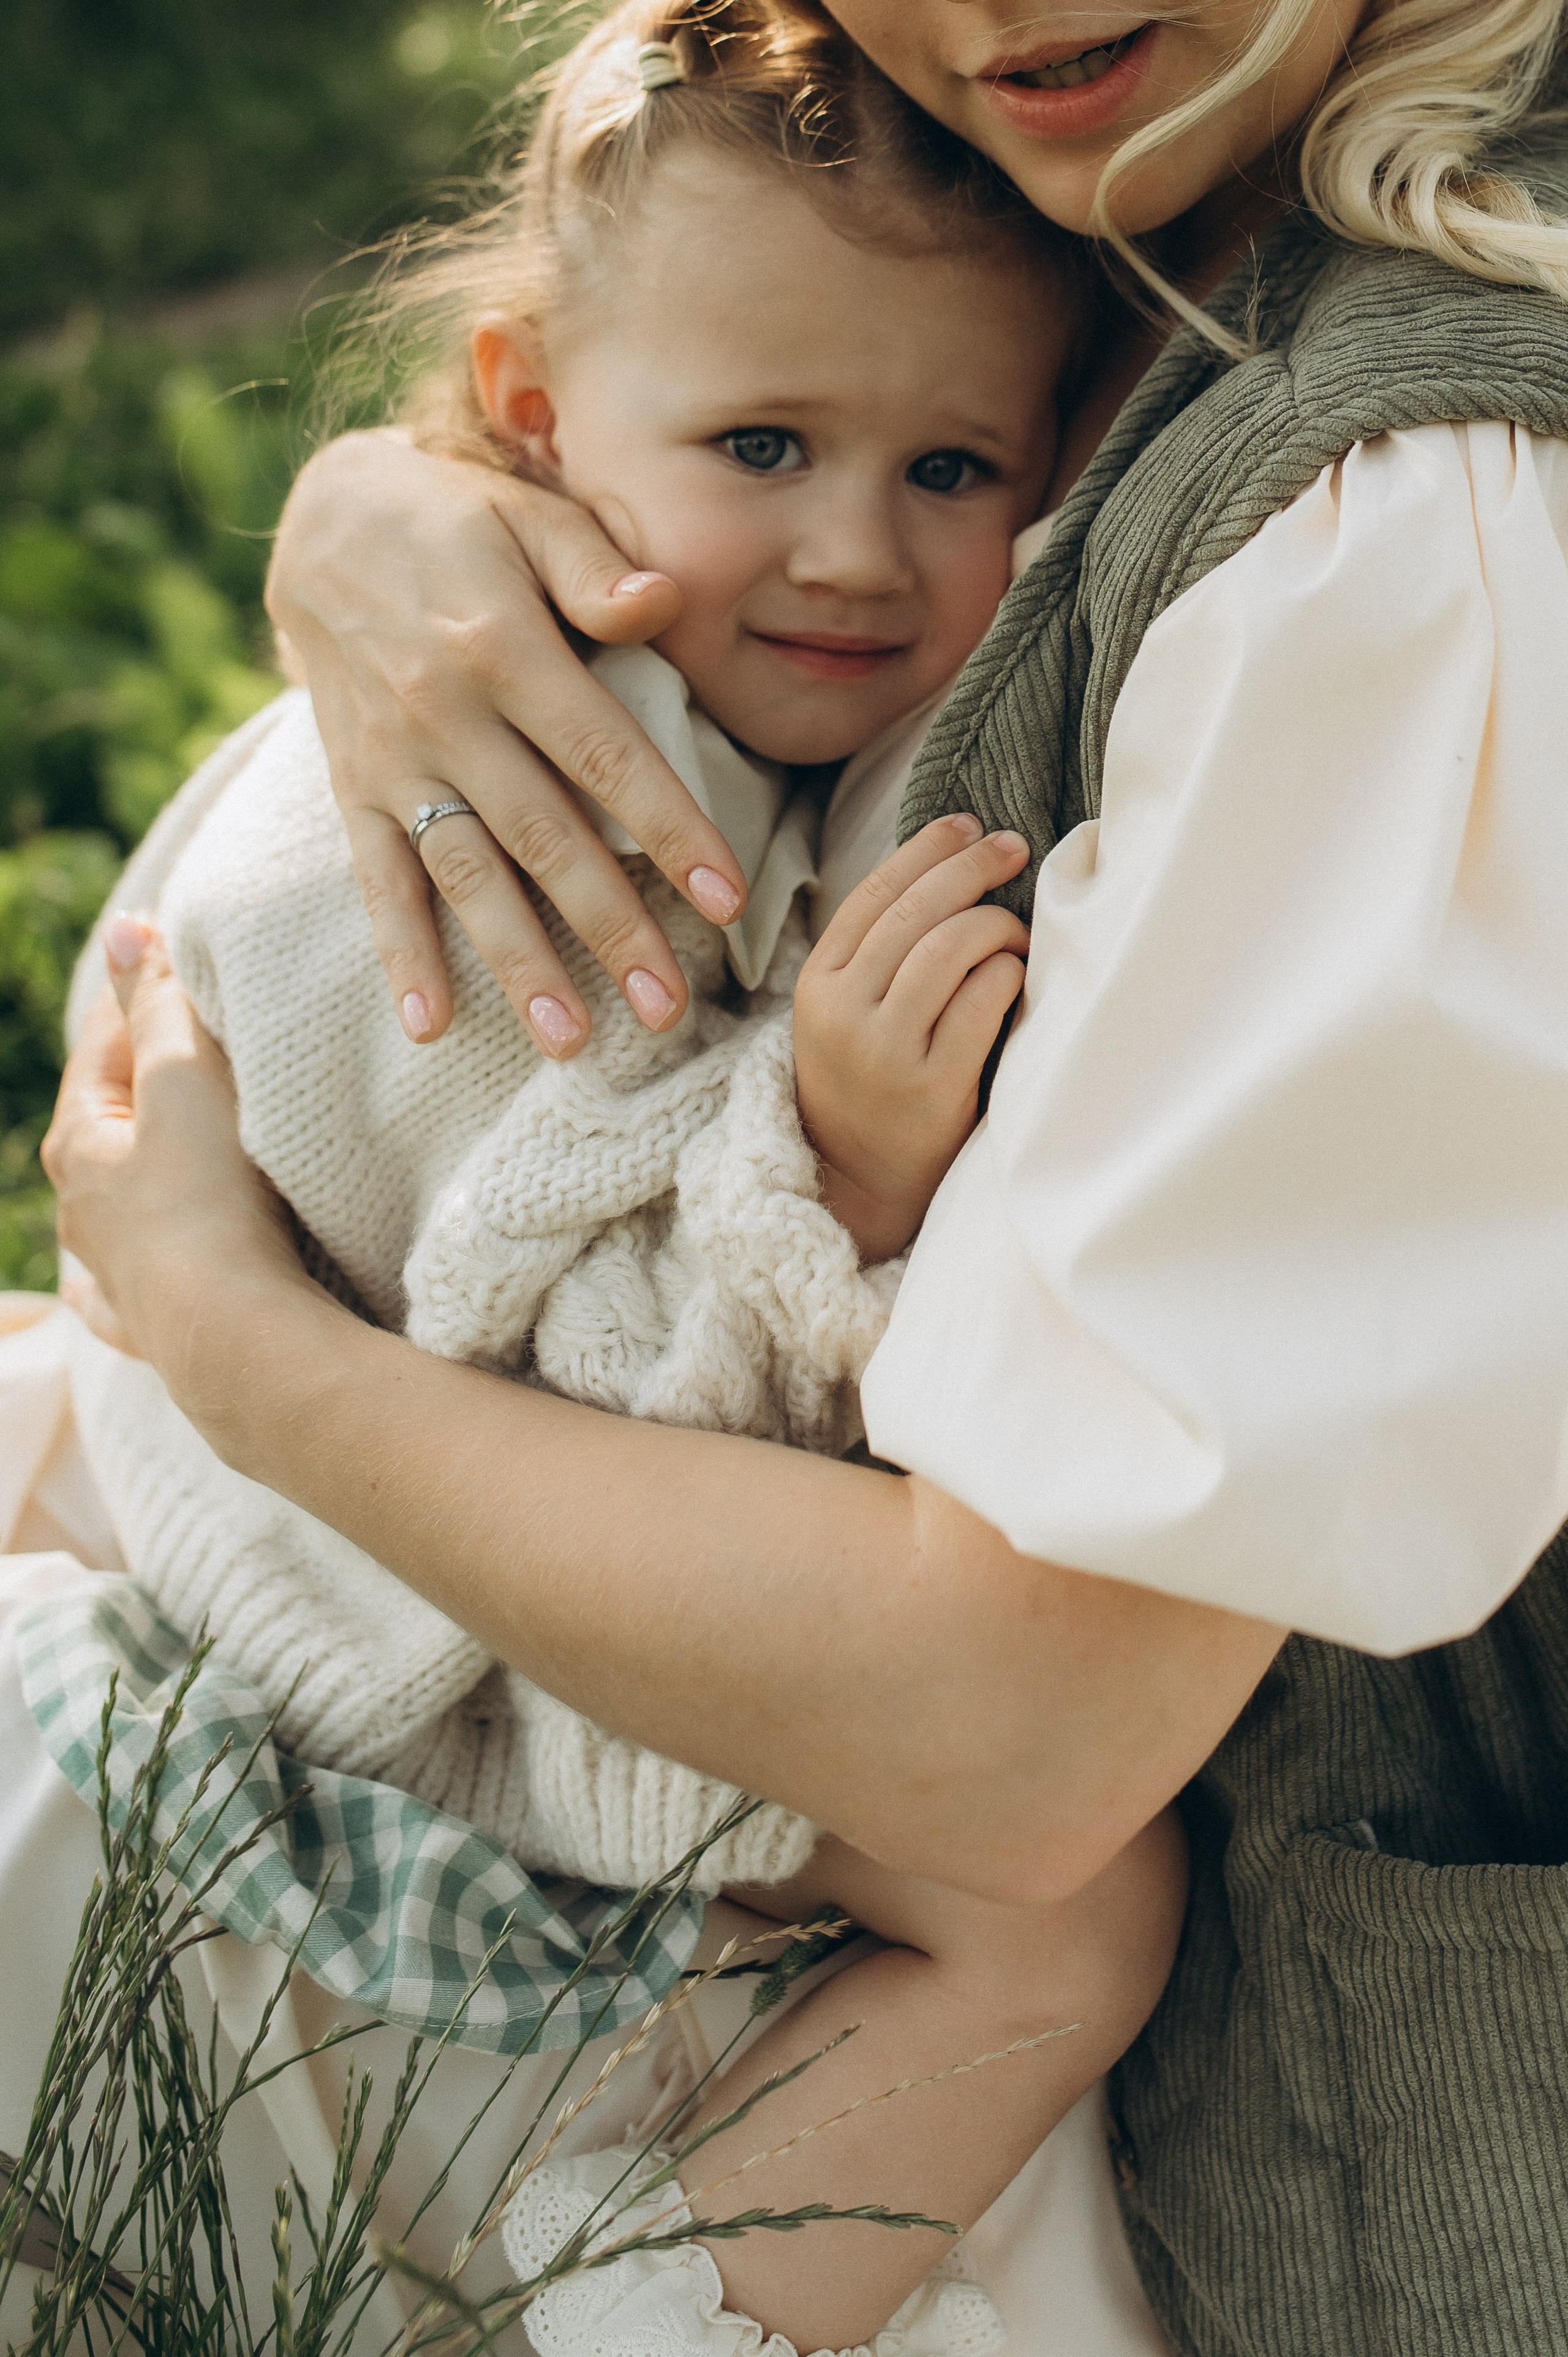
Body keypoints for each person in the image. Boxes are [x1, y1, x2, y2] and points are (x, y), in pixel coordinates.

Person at [35, 0, 1568, 2351]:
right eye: (767, 444)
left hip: (1291, 2151)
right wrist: (398, 509)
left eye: (954, 469)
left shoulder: (1403, 515)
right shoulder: (1096, 216)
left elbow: (1023, 1739)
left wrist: (243, 1349)